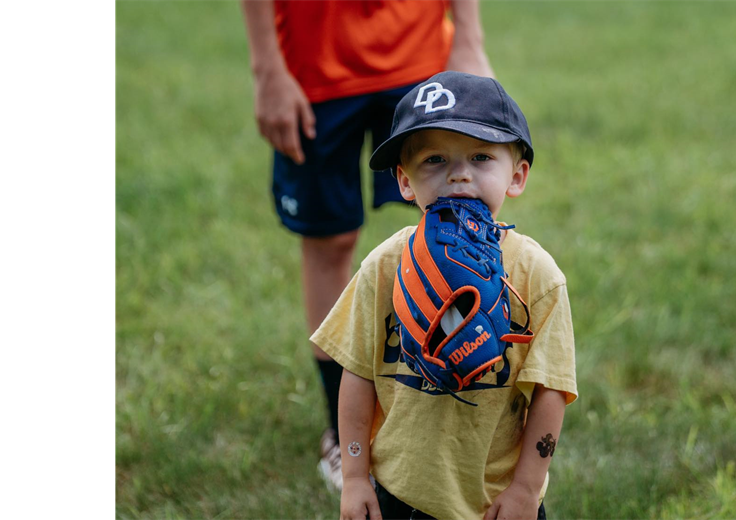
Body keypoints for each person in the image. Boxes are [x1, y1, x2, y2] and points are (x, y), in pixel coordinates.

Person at [239, 0, 494, 492]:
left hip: (420, 51)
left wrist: (469, 36)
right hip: (315, 62)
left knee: (455, 218)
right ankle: (342, 431)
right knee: (330, 240)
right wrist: (266, 66)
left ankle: (463, 405)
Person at [312, 72, 578, 520]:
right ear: (405, 181)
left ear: (516, 175)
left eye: (480, 156)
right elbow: (356, 374)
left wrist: (526, 491)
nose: (458, 174)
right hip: (398, 492)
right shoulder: (384, 265)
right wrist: (356, 476)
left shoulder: (537, 275)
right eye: (434, 159)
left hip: (493, 497)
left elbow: (551, 391)